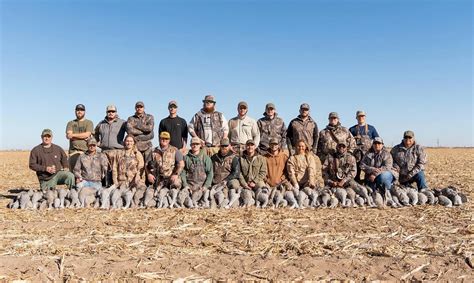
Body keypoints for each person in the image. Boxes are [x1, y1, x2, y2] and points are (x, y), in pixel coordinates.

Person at [146, 131, 184, 208]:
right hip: (158, 179)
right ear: (159, 139)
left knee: (176, 183)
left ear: (169, 140)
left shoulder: (175, 150)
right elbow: (146, 165)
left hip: (170, 177)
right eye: (162, 138)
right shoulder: (153, 151)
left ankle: (174, 199)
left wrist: (176, 174)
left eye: (166, 138)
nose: (164, 140)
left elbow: (181, 164)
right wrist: (149, 174)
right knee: (152, 194)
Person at [94, 104, 127, 186]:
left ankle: (118, 189)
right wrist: (98, 142)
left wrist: (125, 143)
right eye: (109, 111)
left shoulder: (122, 122)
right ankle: (105, 188)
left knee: (118, 172)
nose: (111, 113)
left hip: (118, 152)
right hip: (104, 152)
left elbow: (130, 133)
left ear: (116, 112)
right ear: (106, 112)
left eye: (113, 111)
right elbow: (95, 133)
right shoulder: (101, 123)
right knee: (105, 172)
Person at [286, 139, 323, 208]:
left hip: (307, 183)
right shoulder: (292, 158)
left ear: (306, 147)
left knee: (311, 193)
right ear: (296, 147)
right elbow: (291, 172)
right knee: (292, 194)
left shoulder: (310, 157)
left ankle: (314, 203)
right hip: (297, 184)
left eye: (302, 146)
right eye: (299, 146)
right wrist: (295, 184)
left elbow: (311, 169)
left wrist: (311, 181)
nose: (300, 148)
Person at [181, 136, 214, 208]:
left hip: (201, 188)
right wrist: (185, 185)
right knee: (184, 199)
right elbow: (182, 173)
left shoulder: (206, 158)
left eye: (197, 144)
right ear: (190, 145)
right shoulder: (186, 158)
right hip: (190, 187)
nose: (195, 145)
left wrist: (205, 186)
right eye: (193, 144)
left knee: (207, 200)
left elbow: (210, 174)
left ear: (200, 145)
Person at [349, 110, 380, 182]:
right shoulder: (352, 129)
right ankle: (356, 183)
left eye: (362, 116)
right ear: (356, 117)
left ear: (365, 117)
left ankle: (368, 183)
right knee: (356, 170)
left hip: (368, 153)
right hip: (356, 154)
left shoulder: (371, 128)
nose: (361, 118)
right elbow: (348, 141)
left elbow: (377, 139)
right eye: (359, 116)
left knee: (369, 170)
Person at [210, 137, 241, 208]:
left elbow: (236, 173)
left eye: (226, 146)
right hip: (217, 183)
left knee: (233, 203)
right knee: (212, 204)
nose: (224, 147)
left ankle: (232, 199)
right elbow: (210, 171)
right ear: (220, 146)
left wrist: (226, 180)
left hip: (228, 182)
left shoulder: (234, 158)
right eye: (222, 146)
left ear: (229, 146)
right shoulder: (214, 157)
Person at [126, 101, 155, 176]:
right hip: (135, 147)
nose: (139, 108)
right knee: (136, 165)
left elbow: (149, 129)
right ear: (135, 108)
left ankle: (149, 183)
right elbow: (129, 130)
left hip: (147, 146)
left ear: (144, 108)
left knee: (149, 164)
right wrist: (144, 132)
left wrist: (136, 125)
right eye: (138, 107)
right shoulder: (130, 118)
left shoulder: (149, 117)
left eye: (141, 107)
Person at [239, 139, 268, 207]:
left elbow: (263, 172)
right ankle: (250, 200)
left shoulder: (261, 158)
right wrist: (244, 184)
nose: (250, 147)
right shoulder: (241, 159)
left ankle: (263, 202)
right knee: (244, 194)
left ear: (255, 147)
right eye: (248, 145)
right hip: (246, 182)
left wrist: (254, 181)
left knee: (263, 190)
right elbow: (239, 173)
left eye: (252, 145)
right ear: (246, 147)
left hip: (257, 181)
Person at [66, 103, 94, 170]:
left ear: (84, 112)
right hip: (73, 152)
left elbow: (87, 134)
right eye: (78, 110)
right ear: (75, 111)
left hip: (85, 152)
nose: (79, 111)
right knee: (73, 173)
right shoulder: (71, 123)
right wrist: (82, 136)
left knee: (86, 173)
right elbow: (69, 136)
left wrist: (73, 135)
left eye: (81, 110)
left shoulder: (89, 122)